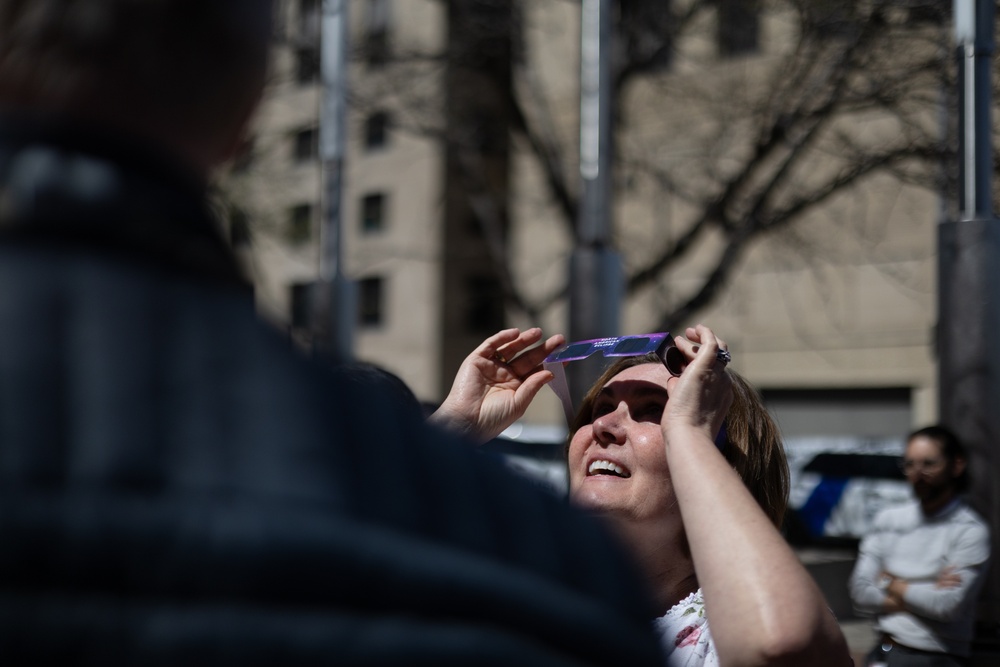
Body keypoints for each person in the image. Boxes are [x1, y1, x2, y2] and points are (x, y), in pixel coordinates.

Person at [0, 3, 667, 664]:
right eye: (610, 404)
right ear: (245, 113)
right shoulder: (549, 570)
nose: (610, 424)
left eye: (648, 411)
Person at [431, 325, 853, 667]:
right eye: (599, 409)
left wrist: (686, 430)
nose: (604, 427)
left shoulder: (737, 624)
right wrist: (453, 429)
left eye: (654, 410)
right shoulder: (520, 589)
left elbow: (781, 646)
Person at [848, 425, 991, 666]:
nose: (917, 473)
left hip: (935, 656)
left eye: (928, 463)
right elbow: (859, 592)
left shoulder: (970, 530)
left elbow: (945, 606)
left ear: (956, 465)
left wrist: (887, 582)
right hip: (881, 651)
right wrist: (925, 588)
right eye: (910, 464)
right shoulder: (889, 519)